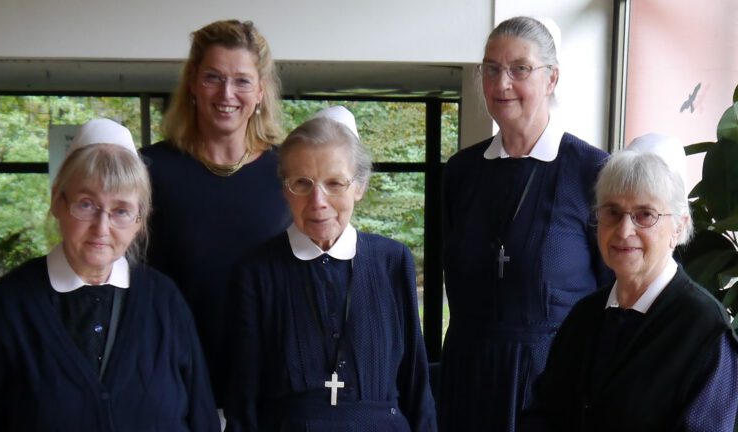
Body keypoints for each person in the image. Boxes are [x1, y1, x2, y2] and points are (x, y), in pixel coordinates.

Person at [0, 119, 220, 431]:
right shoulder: (9, 306)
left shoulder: (165, 302)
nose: (102, 228)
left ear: (139, 221)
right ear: (58, 202)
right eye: (86, 204)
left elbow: (201, 419)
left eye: (121, 211)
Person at [439, 16, 612, 431]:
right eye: (492, 69)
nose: (502, 84)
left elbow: (614, 294)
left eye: (520, 69)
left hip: (553, 382)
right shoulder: (461, 172)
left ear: (551, 79)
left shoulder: (592, 171)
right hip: (468, 378)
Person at [225, 106, 437, 431]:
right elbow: (244, 398)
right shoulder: (256, 272)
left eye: (335, 183)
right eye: (302, 183)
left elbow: (415, 384)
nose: (318, 201)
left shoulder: (393, 261)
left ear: (359, 187)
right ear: (284, 189)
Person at [529, 133, 738, 431]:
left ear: (679, 227)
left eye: (645, 215)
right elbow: (541, 415)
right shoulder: (583, 316)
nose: (624, 230)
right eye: (612, 212)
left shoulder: (706, 333)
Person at [139, 19, 292, 410]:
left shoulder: (290, 174)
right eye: (213, 77)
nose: (227, 93)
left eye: (242, 80)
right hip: (170, 381)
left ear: (260, 91)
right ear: (192, 83)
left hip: (268, 386)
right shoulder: (149, 170)